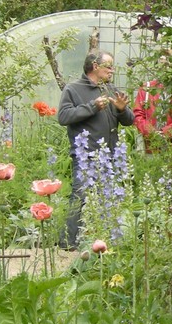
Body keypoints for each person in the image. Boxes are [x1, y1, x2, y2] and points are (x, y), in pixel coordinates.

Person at [57, 51, 134, 247]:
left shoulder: (110, 89)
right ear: (94, 65)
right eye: (108, 66)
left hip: (108, 157)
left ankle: (105, 241)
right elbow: (63, 117)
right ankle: (67, 244)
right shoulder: (73, 89)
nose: (112, 70)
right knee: (80, 196)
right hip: (86, 157)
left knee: (108, 199)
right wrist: (92, 106)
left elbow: (129, 121)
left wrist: (121, 109)